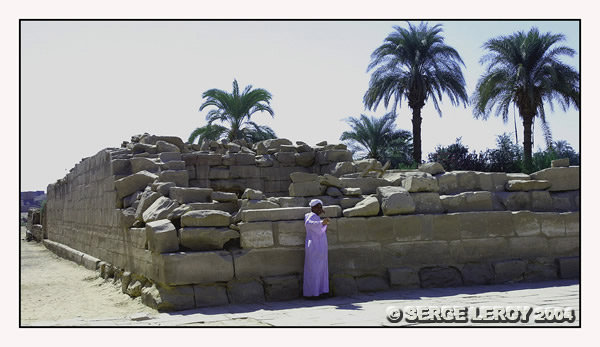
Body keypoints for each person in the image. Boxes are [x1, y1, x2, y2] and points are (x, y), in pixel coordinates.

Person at [303, 199, 331, 299]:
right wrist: (321, 222)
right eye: (318, 207)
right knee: (314, 270)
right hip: (314, 247)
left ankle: (320, 291)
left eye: (321, 207)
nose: (320, 209)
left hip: (319, 246)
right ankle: (313, 293)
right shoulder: (310, 216)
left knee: (321, 269)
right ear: (312, 208)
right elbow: (310, 224)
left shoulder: (315, 216)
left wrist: (322, 221)